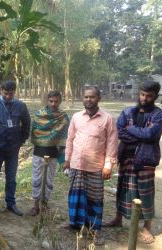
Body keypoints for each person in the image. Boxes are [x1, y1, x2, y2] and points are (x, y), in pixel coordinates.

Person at [104, 81, 162, 244]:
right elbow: (120, 132)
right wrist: (140, 135)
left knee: (146, 193)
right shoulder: (127, 111)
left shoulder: (158, 114)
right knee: (123, 188)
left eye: (149, 96)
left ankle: (147, 227)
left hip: (146, 159)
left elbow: (151, 134)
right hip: (126, 158)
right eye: (142, 94)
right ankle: (118, 219)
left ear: (155, 97)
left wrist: (132, 129)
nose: (144, 98)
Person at [63, 86, 118, 245]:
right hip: (76, 164)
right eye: (86, 97)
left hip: (95, 166)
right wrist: (67, 159)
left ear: (99, 98)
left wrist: (108, 165)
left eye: (92, 97)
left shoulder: (107, 119)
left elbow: (112, 144)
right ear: (83, 98)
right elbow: (70, 139)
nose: (88, 100)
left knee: (95, 200)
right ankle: (74, 224)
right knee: (76, 197)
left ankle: (95, 230)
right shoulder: (76, 117)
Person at [0, 80, 31, 217]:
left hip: (12, 150)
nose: (8, 97)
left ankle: (10, 203)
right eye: (5, 94)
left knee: (11, 178)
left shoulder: (20, 106)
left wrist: (21, 140)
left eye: (11, 94)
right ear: (0, 91)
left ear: (14, 92)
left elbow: (27, 124)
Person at [29, 90, 69, 216]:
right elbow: (35, 132)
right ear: (47, 101)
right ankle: (36, 205)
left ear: (60, 101)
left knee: (49, 180)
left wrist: (63, 155)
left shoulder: (63, 116)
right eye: (51, 101)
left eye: (56, 101)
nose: (53, 103)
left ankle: (45, 203)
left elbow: (65, 136)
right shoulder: (39, 115)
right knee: (37, 179)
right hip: (39, 152)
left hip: (54, 153)